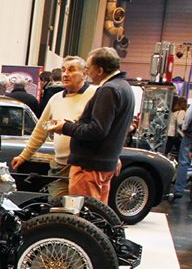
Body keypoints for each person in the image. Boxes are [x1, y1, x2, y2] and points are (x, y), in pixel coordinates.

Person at [50, 47, 137, 202]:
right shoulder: (125, 88)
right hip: (102, 164)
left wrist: (65, 127)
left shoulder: (108, 90)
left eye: (89, 68)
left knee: (83, 213)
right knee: (97, 213)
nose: (87, 72)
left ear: (100, 70)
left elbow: (97, 130)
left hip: (90, 166)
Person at [11, 56, 97, 198]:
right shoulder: (55, 99)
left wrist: (113, 155)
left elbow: (105, 128)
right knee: (56, 204)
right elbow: (40, 130)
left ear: (84, 73)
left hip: (85, 166)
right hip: (59, 165)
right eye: (63, 70)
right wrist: (24, 156)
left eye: (71, 70)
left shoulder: (96, 94)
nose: (65, 74)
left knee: (82, 207)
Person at [172, 107, 192, 199]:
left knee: (184, 162)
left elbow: (188, 116)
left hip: (190, 135)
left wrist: (184, 128)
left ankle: (178, 190)